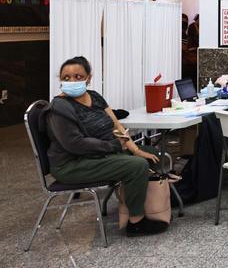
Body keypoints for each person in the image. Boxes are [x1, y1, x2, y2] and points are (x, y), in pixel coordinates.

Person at [43, 56, 167, 237]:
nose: (71, 81)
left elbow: (117, 125)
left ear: (89, 78)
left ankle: (141, 204)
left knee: (151, 153)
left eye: (78, 77)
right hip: (72, 164)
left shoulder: (94, 97)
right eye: (66, 78)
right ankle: (136, 222)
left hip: (96, 154)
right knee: (137, 165)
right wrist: (114, 146)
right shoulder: (59, 107)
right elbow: (75, 145)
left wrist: (136, 149)